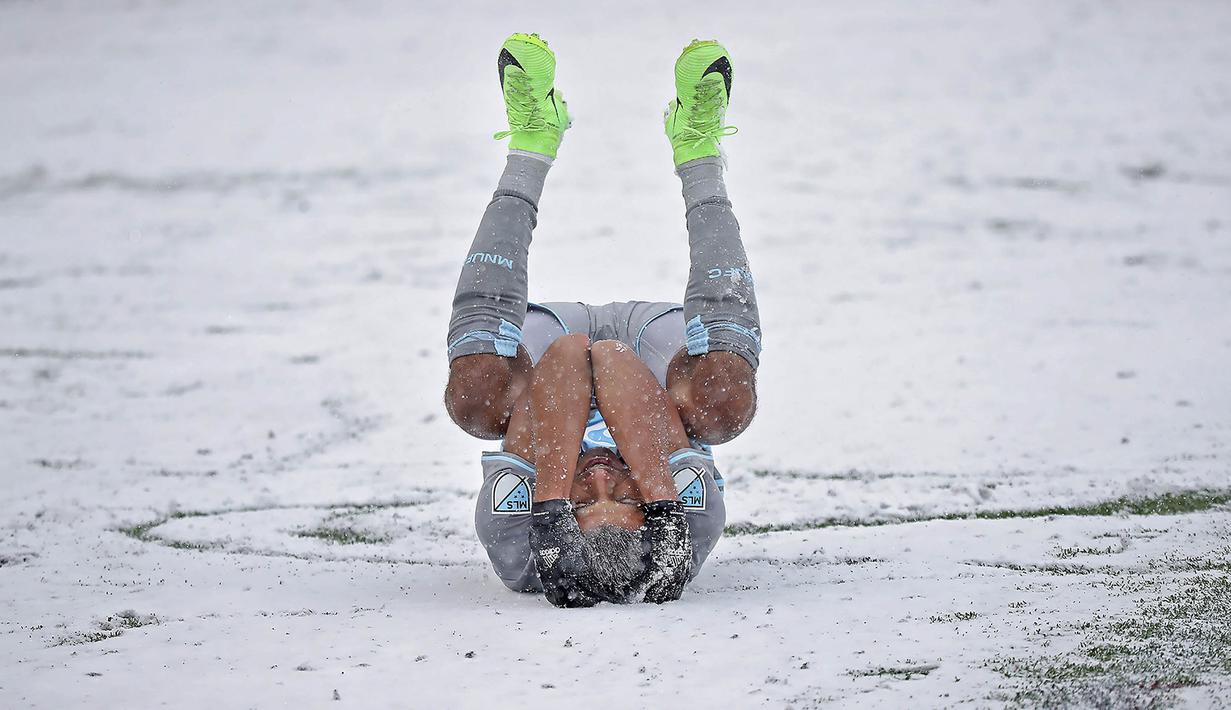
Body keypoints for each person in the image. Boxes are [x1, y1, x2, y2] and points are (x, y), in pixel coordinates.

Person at [444, 33, 761, 607]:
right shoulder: (690, 526)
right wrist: (663, 498)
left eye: (583, 501)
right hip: (649, 367)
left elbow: (569, 355)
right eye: (624, 494)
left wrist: (548, 502)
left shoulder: (517, 544)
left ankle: (532, 141)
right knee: (724, 406)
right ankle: (697, 149)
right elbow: (612, 358)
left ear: (557, 535)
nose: (597, 477)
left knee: (476, 400)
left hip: (548, 366)